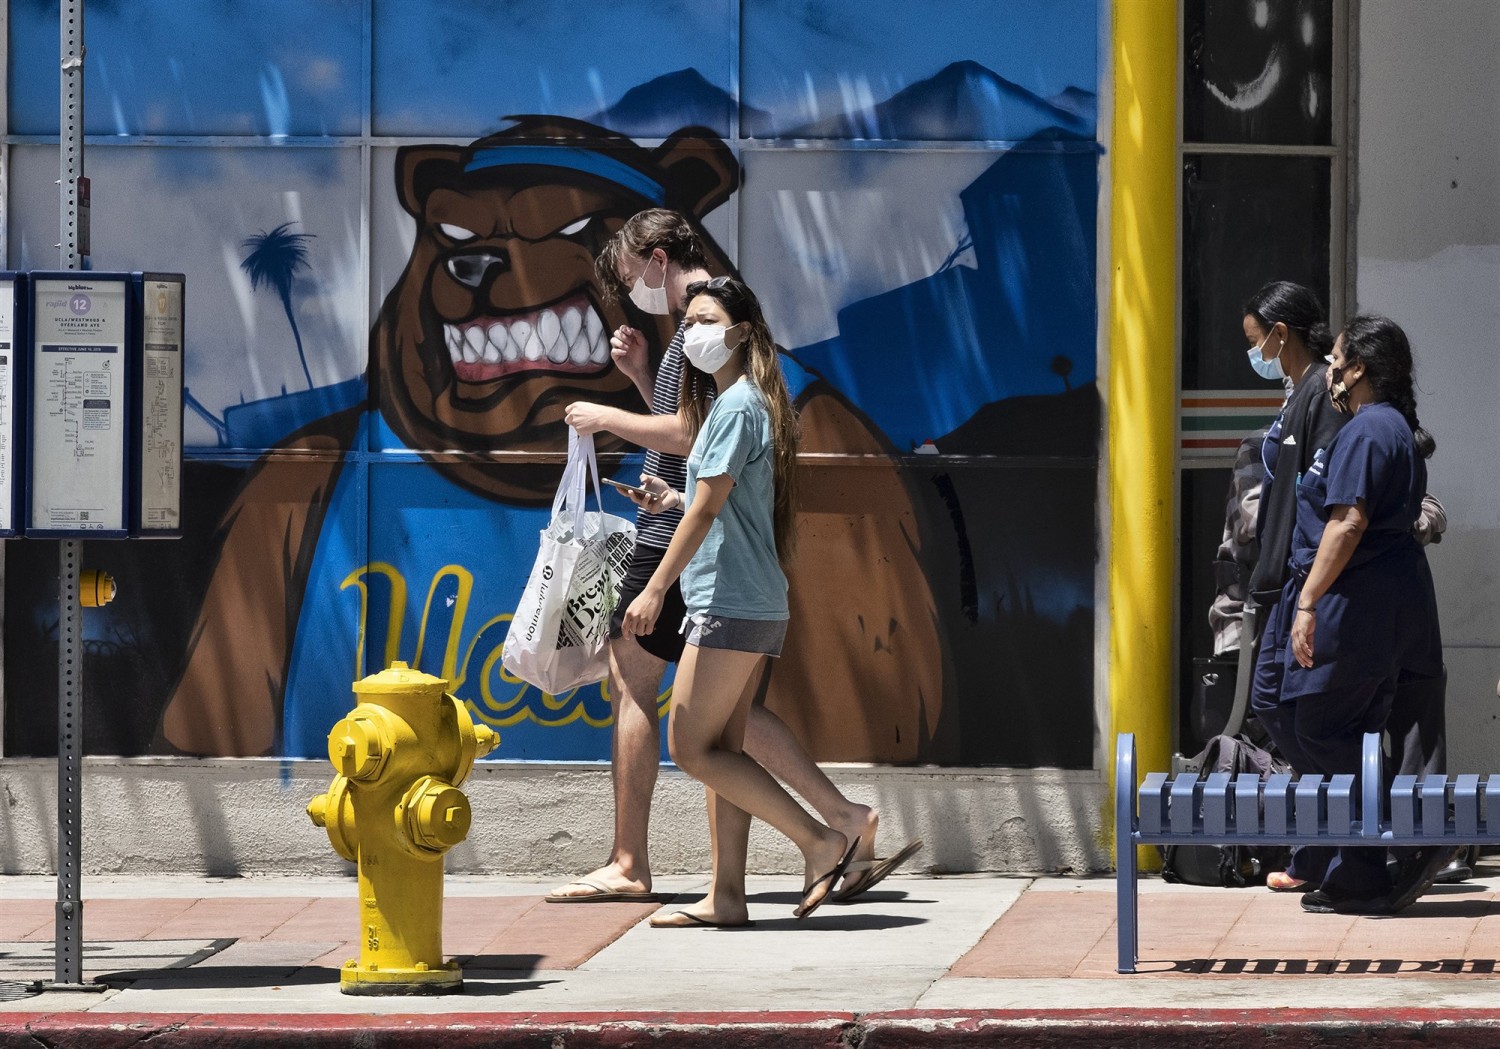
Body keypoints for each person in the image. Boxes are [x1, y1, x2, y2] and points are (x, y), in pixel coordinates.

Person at [548, 210, 919, 906]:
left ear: (659, 259)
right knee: (728, 726)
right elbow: (703, 452)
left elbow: (698, 443)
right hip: (699, 548)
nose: (637, 296)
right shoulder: (700, 349)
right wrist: (637, 380)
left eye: (633, 278)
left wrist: (608, 419)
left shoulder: (719, 342)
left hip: (693, 559)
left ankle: (649, 858)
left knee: (664, 708)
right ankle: (798, 847)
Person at [621, 275, 855, 924]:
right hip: (745, 598)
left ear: (741, 332)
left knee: (691, 747)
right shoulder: (748, 404)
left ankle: (822, 840)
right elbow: (719, 507)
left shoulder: (735, 406)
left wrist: (655, 586)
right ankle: (727, 895)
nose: (691, 333)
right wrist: (668, 500)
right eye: (687, 322)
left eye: (705, 320)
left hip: (729, 600)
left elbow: (706, 512)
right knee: (725, 749)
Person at [1252, 314, 1446, 915]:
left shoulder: (1371, 431)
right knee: (1281, 707)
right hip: (1335, 597)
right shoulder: (1372, 427)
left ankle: (1368, 852)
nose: (1331, 369)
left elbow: (1349, 520)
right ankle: (1350, 852)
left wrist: (1309, 601)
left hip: (1349, 603)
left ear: (1360, 368)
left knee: (1322, 729)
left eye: (1338, 360)